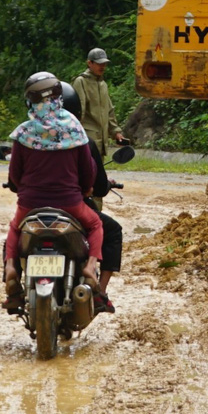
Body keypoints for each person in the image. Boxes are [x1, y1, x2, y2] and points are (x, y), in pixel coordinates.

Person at [2, 71, 105, 315]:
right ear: (59, 97)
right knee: (96, 225)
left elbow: (15, 174)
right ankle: (91, 266)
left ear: (30, 101)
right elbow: (87, 175)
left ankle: (10, 269)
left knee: (15, 229)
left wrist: (23, 188)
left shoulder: (24, 133)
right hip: (69, 204)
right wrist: (83, 189)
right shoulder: (75, 130)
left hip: (30, 205)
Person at [70, 49, 125, 311]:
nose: (102, 67)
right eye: (98, 64)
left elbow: (109, 113)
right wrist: (77, 137)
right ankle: (98, 283)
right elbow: (77, 111)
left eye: (104, 64)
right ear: (88, 63)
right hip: (86, 140)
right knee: (100, 221)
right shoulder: (81, 83)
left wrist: (116, 132)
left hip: (98, 143)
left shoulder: (102, 85)